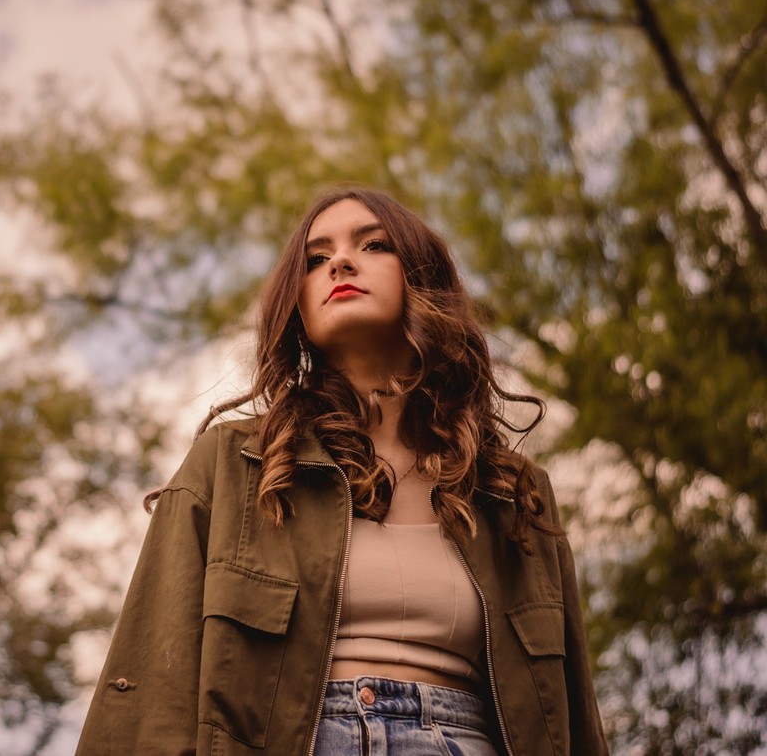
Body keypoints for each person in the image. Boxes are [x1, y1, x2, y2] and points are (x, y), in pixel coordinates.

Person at [75, 186, 608, 756]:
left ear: (424, 280)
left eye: (374, 244)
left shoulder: (513, 494)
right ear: (298, 304)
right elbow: (152, 683)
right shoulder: (234, 464)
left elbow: (572, 718)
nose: (341, 263)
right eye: (316, 258)